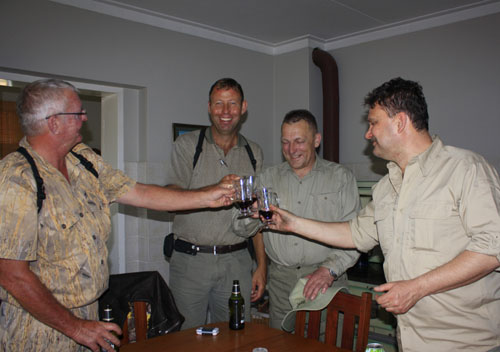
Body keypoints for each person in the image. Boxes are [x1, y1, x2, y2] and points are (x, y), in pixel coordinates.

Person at [0, 79, 236, 352]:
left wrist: (210, 196)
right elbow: (11, 274)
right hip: (39, 329)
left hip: (89, 317)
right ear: (53, 123)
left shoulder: (84, 160)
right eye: (78, 113)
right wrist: (75, 327)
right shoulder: (15, 178)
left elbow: (141, 193)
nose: (85, 117)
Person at [267, 78, 500, 351]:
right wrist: (292, 223)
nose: (368, 133)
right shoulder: (386, 188)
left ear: (400, 122)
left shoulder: (465, 169)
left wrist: (416, 288)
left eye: (373, 123)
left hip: (466, 343)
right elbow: (352, 233)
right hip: (411, 340)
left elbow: (492, 249)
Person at [233, 109, 360, 329]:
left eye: (299, 141)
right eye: (285, 142)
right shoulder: (267, 178)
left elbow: (357, 235)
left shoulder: (341, 178)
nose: (291, 150)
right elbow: (240, 228)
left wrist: (327, 270)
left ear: (316, 140)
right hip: (282, 285)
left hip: (327, 284)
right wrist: (252, 215)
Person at [166, 78, 265, 329]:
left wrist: (262, 267)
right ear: (209, 107)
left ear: (243, 108)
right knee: (187, 338)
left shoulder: (254, 152)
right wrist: (213, 190)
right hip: (191, 262)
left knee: (236, 336)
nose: (225, 112)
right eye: (219, 104)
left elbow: (258, 217)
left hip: (238, 262)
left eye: (232, 104)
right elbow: (170, 198)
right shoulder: (188, 145)